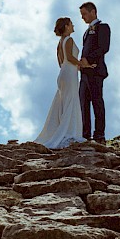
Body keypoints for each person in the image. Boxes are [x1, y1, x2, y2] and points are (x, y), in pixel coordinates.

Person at [33, 17, 91, 149]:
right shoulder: (69, 39)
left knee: (64, 102)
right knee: (71, 101)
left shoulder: (59, 43)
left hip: (63, 73)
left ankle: (64, 130)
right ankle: (69, 132)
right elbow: (69, 57)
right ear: (66, 26)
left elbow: (61, 62)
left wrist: (72, 66)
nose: (73, 25)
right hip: (70, 74)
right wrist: (81, 64)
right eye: (71, 24)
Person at [78, 2, 110, 142]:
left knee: (97, 102)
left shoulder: (103, 27)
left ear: (93, 12)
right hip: (84, 72)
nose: (83, 17)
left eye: (84, 14)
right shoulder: (86, 32)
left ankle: (99, 134)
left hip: (96, 70)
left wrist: (88, 59)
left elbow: (104, 47)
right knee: (83, 103)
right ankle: (85, 134)